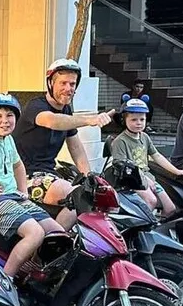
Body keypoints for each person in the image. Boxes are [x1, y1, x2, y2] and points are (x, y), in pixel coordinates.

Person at [0, 94, 64, 277]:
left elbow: (18, 164)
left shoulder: (7, 139)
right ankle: (6, 280)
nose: (5, 121)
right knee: (35, 233)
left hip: (13, 196)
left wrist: (23, 190)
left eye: (9, 115)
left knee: (57, 232)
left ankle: (29, 271)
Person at [13, 59, 115, 228]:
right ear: (50, 84)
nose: (68, 88)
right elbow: (53, 121)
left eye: (72, 84)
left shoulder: (66, 110)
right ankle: (53, 245)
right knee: (78, 197)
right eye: (63, 83)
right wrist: (91, 119)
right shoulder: (35, 106)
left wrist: (89, 176)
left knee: (97, 194)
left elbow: (75, 147)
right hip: (25, 177)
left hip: (48, 174)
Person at [109, 96, 183, 216]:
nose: (138, 123)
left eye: (142, 119)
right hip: (131, 181)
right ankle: (138, 232)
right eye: (134, 120)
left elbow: (157, 156)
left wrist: (177, 171)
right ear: (124, 120)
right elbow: (121, 166)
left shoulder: (144, 137)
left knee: (170, 208)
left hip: (148, 178)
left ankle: (157, 230)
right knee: (151, 201)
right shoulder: (120, 141)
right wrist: (144, 179)